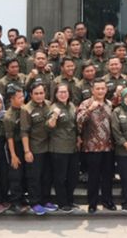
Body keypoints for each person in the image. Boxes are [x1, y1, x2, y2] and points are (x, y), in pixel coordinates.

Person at [76, 78, 115, 214]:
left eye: (102, 88)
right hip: (92, 147)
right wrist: (89, 110)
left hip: (108, 147)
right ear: (92, 90)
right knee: (93, 177)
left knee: (107, 176)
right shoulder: (85, 103)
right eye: (97, 89)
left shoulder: (109, 104)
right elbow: (78, 122)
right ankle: (92, 203)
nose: (100, 91)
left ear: (106, 89)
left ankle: (107, 200)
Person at [21, 82, 57, 215]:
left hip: (50, 146)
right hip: (35, 148)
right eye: (36, 93)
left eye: (41, 93)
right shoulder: (26, 109)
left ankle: (45, 200)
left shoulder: (49, 105)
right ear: (30, 95)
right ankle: (35, 202)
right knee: (34, 177)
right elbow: (24, 131)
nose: (39, 96)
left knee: (47, 176)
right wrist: (27, 151)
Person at [47, 83, 78, 213]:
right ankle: (62, 202)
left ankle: (70, 200)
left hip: (73, 147)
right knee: (60, 177)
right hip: (59, 148)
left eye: (65, 92)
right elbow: (50, 126)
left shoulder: (71, 106)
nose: (63, 94)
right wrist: (54, 116)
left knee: (73, 176)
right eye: (60, 92)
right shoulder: (53, 107)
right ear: (55, 94)